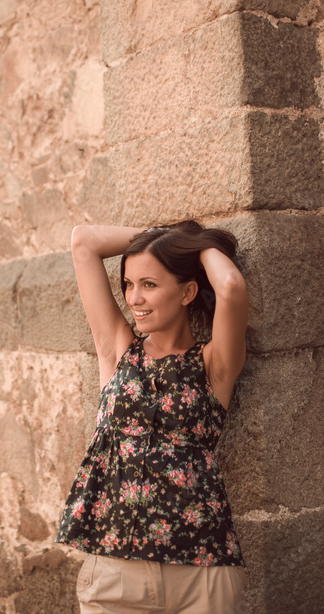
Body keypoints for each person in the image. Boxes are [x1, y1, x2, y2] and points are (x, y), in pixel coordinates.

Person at [56, 221, 248, 613]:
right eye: (128, 284)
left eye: (149, 284)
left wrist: (189, 247)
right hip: (116, 567)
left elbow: (229, 286)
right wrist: (160, 239)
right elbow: (84, 241)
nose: (134, 298)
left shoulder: (212, 364)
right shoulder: (117, 350)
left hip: (202, 570)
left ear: (188, 291)